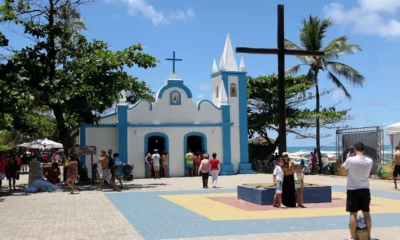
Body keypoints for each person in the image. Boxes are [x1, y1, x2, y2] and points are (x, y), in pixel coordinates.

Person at [341, 142, 373, 240]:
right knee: (366, 213)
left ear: (354, 149)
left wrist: (347, 158)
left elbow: (342, 169)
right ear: (363, 150)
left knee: (353, 214)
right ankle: (368, 236)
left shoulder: (350, 160)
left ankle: (353, 237)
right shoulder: (370, 161)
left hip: (353, 190)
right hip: (365, 189)